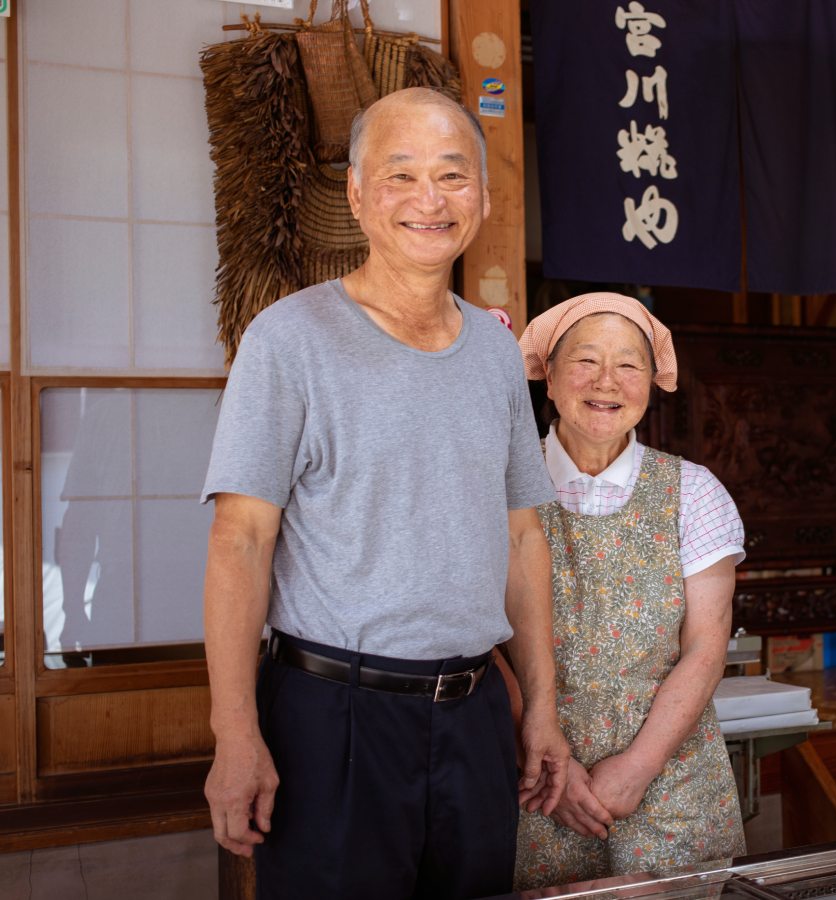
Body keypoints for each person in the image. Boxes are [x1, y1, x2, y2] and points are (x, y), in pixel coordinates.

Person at [200, 87, 570, 900]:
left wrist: (540, 705)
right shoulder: (290, 340)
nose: (430, 200)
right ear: (359, 195)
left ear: (481, 192)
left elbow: (522, 540)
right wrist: (235, 732)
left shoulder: (495, 355)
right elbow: (241, 540)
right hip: (334, 715)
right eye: (401, 176)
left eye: (452, 174)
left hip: (475, 714)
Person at [506, 293, 746, 889]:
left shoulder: (695, 492)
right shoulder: (502, 490)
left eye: (629, 364)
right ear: (549, 377)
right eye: (586, 360)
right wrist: (544, 759)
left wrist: (639, 767)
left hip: (670, 780)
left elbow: (706, 649)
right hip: (534, 777)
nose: (606, 381)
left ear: (652, 379)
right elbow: (480, 642)